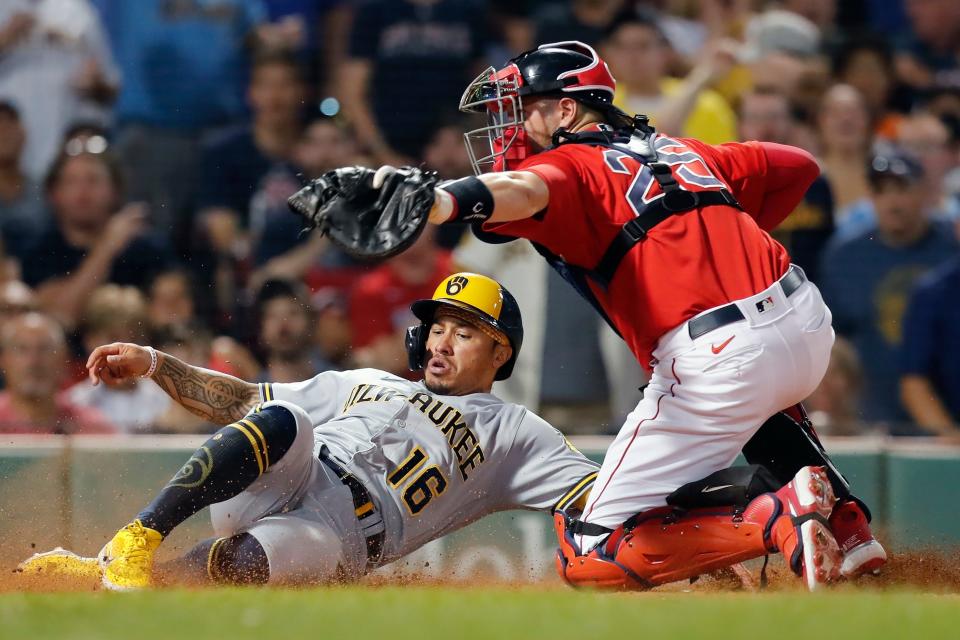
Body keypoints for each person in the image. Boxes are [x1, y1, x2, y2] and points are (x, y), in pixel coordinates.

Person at [396, 40, 884, 589]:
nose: (512, 126)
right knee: (759, 401)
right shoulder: (684, 149)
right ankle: (848, 529)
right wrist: (723, 228)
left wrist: (437, 202)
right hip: (805, 321)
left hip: (718, 356)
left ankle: (774, 518)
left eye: (525, 106)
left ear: (567, 109)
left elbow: (519, 187)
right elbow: (799, 165)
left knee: (588, 551)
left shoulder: (570, 162)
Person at [19, 273, 599, 590]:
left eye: (464, 332)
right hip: (297, 469)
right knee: (285, 418)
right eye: (438, 327)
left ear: (501, 351)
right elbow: (244, 399)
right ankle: (136, 539)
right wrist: (154, 363)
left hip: (342, 536)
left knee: (260, 563)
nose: (441, 341)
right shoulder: (371, 379)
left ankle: (106, 579)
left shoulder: (519, 433)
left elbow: (604, 491)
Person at [819, 149, 957, 428]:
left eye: (902, 189)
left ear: (925, 193)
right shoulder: (845, 256)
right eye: (881, 191)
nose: (892, 202)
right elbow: (832, 342)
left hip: (949, 415)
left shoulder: (951, 246)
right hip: (870, 417)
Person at [0, 312, 116, 435]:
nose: (34, 362)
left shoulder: (91, 426)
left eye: (44, 349)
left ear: (63, 360)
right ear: (3, 360)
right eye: (22, 350)